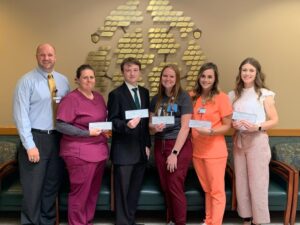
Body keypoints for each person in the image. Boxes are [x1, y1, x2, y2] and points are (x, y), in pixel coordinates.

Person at [13, 43, 69, 225]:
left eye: (50, 54)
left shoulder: (63, 81)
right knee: (32, 189)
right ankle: (30, 222)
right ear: (36, 56)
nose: (46, 58)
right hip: (36, 138)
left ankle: (47, 222)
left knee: (51, 187)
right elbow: (21, 115)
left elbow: (68, 111)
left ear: (55, 57)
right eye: (42, 55)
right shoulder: (26, 81)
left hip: (57, 139)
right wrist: (30, 145)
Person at [56, 64, 109, 225]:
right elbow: (61, 125)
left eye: (91, 77)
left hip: (99, 152)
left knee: (92, 193)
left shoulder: (99, 97)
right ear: (77, 80)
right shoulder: (71, 99)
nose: (89, 80)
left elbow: (102, 121)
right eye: (85, 77)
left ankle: (87, 221)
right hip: (79, 154)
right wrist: (86, 133)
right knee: (80, 194)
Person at [228, 57, 278, 225]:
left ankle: (260, 220)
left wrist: (256, 127)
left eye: (251, 70)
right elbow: (229, 121)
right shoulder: (233, 94)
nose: (247, 73)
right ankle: (246, 217)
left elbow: (274, 119)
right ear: (240, 72)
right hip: (239, 140)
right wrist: (233, 124)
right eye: (244, 70)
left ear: (256, 73)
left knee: (258, 184)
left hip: (257, 140)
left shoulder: (265, 94)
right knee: (241, 182)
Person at [107, 57, 151, 225]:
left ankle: (130, 221)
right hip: (123, 152)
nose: (132, 73)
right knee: (123, 191)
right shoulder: (116, 94)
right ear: (123, 73)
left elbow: (145, 123)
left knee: (134, 191)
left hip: (141, 150)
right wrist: (127, 125)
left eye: (135, 70)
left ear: (139, 72)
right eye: (128, 70)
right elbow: (112, 121)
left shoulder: (145, 93)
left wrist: (148, 144)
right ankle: (123, 223)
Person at [149, 64, 193, 225]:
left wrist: (174, 153)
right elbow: (150, 126)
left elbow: (185, 127)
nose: (168, 79)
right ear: (161, 78)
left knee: (174, 187)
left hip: (177, 146)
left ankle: (180, 222)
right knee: (166, 186)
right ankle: (172, 220)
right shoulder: (156, 99)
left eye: (171, 76)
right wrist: (154, 127)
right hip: (160, 144)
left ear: (177, 79)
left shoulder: (184, 97)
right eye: (165, 76)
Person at [190, 62, 232, 225]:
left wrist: (212, 131)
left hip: (215, 152)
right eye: (203, 76)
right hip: (197, 151)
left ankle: (216, 223)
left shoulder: (222, 98)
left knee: (217, 191)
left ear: (215, 79)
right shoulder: (192, 96)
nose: (206, 80)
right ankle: (208, 221)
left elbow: (228, 125)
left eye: (210, 77)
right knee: (207, 190)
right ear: (199, 77)